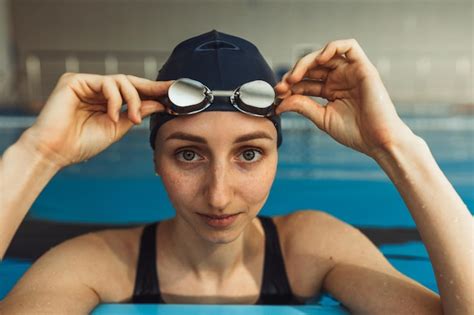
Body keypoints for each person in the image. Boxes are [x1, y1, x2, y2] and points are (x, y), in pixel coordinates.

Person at [0, 30, 472, 314]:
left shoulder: (312, 247)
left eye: (249, 154)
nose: (219, 195)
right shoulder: (96, 262)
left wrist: (396, 147)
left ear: (278, 157)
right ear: (155, 162)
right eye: (188, 155)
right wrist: (38, 153)